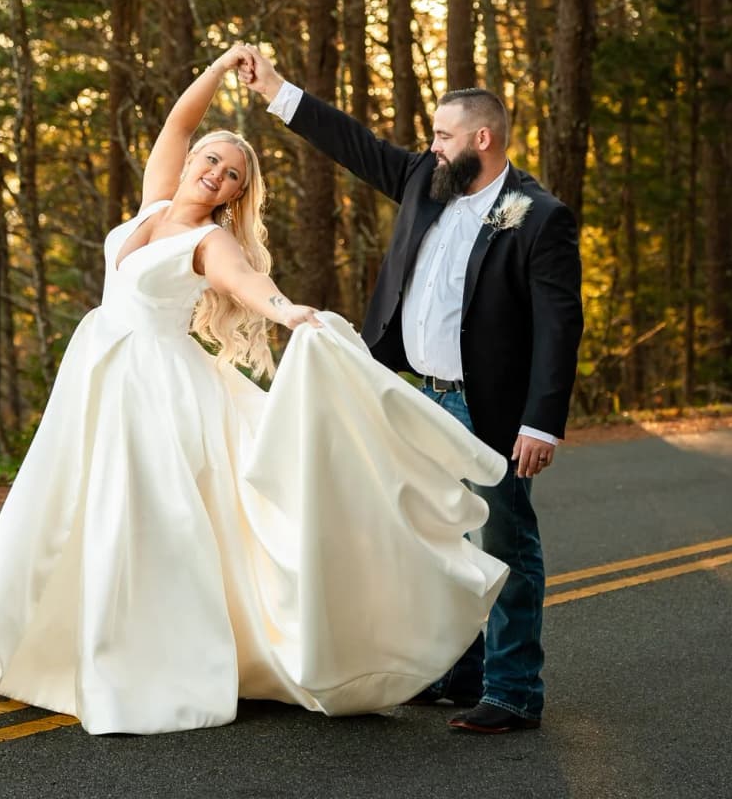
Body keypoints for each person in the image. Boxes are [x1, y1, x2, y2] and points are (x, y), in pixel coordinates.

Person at [0, 46, 509, 735]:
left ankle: (143, 658)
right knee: (74, 502)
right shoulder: (153, 202)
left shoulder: (212, 242)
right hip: (100, 373)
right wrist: (216, 69)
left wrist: (287, 311)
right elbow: (179, 124)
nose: (214, 174)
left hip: (154, 386)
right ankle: (52, 642)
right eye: (210, 162)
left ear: (236, 194)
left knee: (142, 516)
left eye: (231, 176)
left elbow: (247, 284)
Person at [235, 47, 583, 734]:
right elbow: (355, 145)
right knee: (432, 537)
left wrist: (540, 423)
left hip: (490, 407)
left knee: (504, 544)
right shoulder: (429, 180)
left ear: (482, 139)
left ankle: (512, 691)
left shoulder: (537, 216)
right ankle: (456, 672)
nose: (431, 145)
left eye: (443, 134)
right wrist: (276, 91)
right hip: (416, 395)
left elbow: (558, 326)